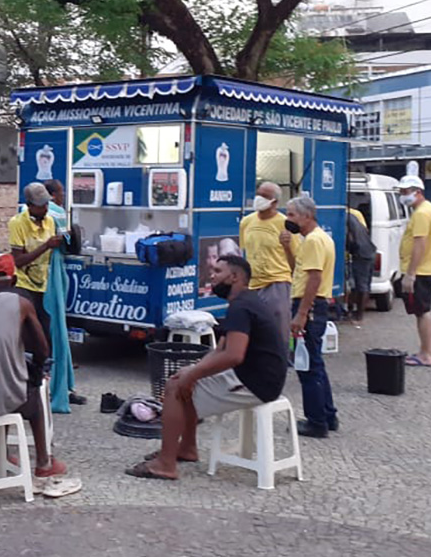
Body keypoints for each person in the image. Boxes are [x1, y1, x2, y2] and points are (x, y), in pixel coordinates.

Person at [126, 255, 287, 481]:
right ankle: (187, 448)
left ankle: (166, 464)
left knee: (174, 389)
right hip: (258, 376)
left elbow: (233, 355)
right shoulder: (246, 301)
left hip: (257, 383)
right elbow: (221, 348)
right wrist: (193, 371)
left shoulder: (241, 306)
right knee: (185, 380)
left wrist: (191, 375)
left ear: (234, 277)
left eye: (218, 272)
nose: (211, 276)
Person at [0, 253, 67, 477]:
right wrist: (37, 371)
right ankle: (44, 463)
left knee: (6, 372)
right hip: (3, 396)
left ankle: (2, 452)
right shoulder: (22, 303)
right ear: (15, 280)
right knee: (30, 391)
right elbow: (42, 350)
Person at [287, 196, 338, 439]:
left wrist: (301, 313)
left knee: (307, 366)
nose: (288, 220)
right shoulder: (315, 239)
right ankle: (327, 415)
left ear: (307, 216)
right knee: (315, 363)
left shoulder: (315, 241)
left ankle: (316, 421)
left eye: (292, 215)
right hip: (313, 304)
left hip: (310, 304)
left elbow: (314, 278)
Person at [9, 183, 63, 371]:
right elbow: (18, 260)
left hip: (44, 285)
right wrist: (46, 246)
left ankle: (45, 376)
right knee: (30, 334)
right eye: (41, 205)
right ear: (30, 205)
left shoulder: (50, 221)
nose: (45, 208)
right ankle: (28, 376)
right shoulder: (17, 223)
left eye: (47, 204)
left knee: (46, 334)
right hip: (24, 284)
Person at [239, 182, 296, 350]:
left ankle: (281, 360)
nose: (258, 198)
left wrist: (286, 246)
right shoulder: (246, 222)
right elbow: (244, 252)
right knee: (254, 329)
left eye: (264, 196)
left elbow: (296, 261)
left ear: (275, 202)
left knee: (277, 327)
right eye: (258, 193)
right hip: (252, 284)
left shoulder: (285, 224)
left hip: (276, 282)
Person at [43, 179, 83, 410]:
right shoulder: (57, 213)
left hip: (39, 276)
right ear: (51, 195)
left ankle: (60, 384)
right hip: (53, 275)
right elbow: (69, 244)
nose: (63, 195)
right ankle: (59, 388)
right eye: (60, 192)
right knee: (56, 330)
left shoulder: (21, 215)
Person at [396, 175, 431, 367]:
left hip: (422, 271)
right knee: (421, 311)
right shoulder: (428, 210)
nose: (402, 196)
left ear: (418, 192)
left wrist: (410, 274)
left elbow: (420, 244)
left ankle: (426, 354)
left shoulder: (422, 214)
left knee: (422, 311)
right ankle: (426, 351)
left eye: (405, 192)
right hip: (427, 269)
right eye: (401, 192)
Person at [345, 205, 376, 327]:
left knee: (360, 285)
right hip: (369, 249)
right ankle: (354, 312)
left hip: (361, 253)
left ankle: (358, 316)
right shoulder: (353, 215)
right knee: (364, 285)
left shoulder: (344, 218)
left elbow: (349, 237)